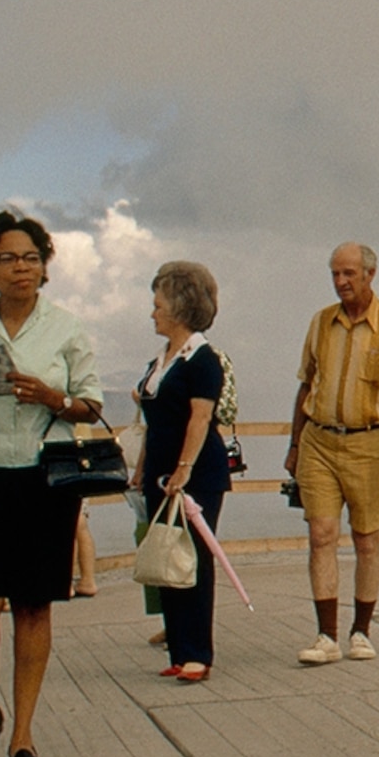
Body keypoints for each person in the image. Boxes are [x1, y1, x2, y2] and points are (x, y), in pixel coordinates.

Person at [0, 209, 103, 757]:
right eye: (7, 258)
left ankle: (25, 735)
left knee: (34, 604)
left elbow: (93, 404)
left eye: (31, 258)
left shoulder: (65, 329)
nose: (20, 268)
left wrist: (53, 397)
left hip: (44, 478)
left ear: (45, 265)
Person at [286, 241, 379, 663]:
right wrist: (294, 444)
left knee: (366, 539)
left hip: (371, 441)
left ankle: (360, 631)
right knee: (320, 534)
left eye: (348, 274)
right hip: (319, 440)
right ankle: (325, 636)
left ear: (370, 275)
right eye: (334, 274)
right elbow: (305, 385)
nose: (340, 282)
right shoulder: (320, 323)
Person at [138, 261, 234, 684]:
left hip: (195, 472)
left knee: (192, 557)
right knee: (164, 553)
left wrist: (183, 469)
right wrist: (142, 468)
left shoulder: (202, 358)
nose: (153, 312)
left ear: (178, 307)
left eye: (158, 305)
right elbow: (152, 420)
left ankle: (198, 651)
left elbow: (200, 417)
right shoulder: (162, 359)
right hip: (158, 470)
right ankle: (178, 647)